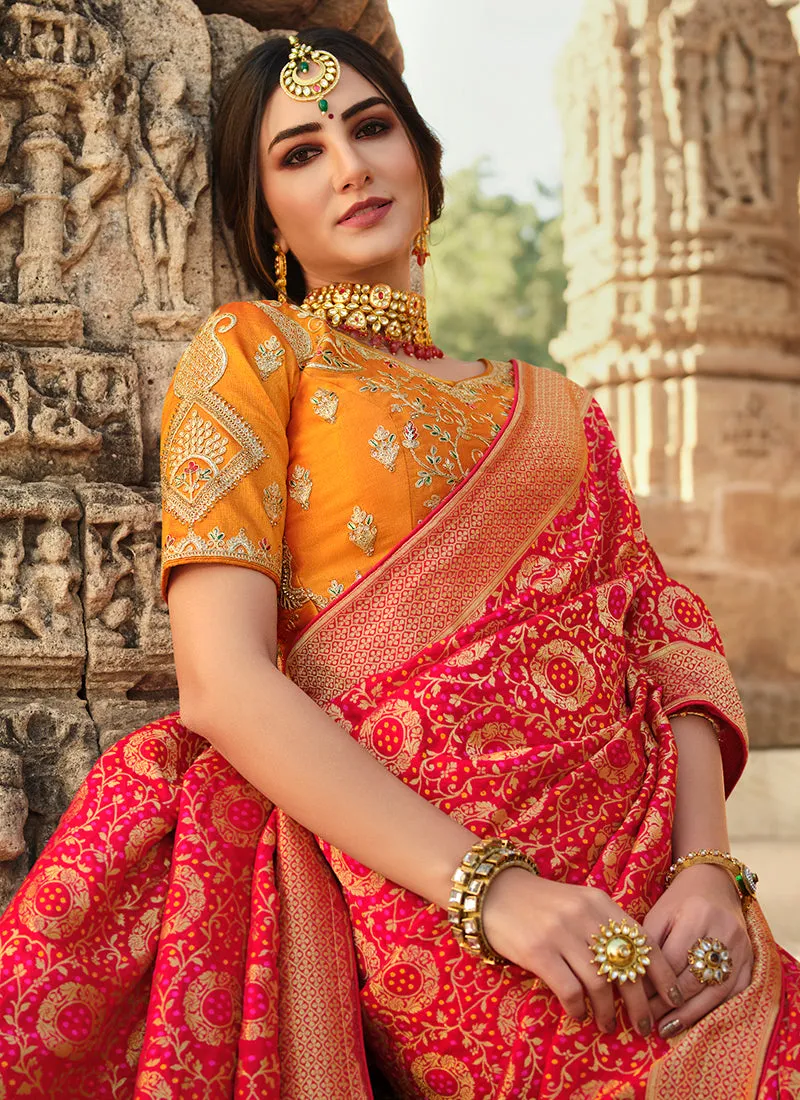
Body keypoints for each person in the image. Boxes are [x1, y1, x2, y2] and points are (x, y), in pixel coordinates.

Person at [0, 26, 798, 1100]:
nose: (350, 166)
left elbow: (665, 637)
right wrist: (497, 892)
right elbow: (222, 681)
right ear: (263, 211)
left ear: (419, 156)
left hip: (664, 891)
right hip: (444, 908)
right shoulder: (250, 357)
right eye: (299, 152)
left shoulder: (558, 409)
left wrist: (707, 865)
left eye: (372, 128)